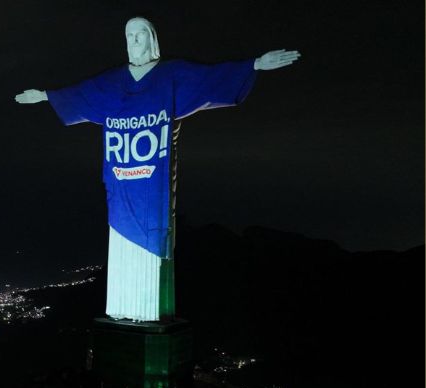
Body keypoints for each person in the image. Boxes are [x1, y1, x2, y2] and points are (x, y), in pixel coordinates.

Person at [16, 17, 299, 322]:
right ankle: (123, 311)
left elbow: (209, 78)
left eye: (140, 35)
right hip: (121, 184)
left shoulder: (171, 75)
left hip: (153, 186)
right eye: (129, 36)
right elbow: (80, 94)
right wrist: (45, 96)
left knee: (155, 252)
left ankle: (148, 313)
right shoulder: (112, 83)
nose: (134, 41)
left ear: (152, 39)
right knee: (121, 252)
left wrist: (254, 65)